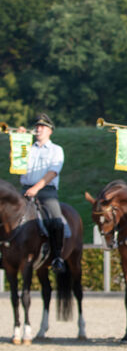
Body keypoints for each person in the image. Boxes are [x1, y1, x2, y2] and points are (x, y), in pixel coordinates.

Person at [19, 113, 66, 273]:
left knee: (56, 220)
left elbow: (52, 172)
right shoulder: (27, 148)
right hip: (25, 190)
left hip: (46, 191)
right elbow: (16, 163)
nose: (38, 129)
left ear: (50, 131)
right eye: (37, 126)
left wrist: (36, 188)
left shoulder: (56, 150)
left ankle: (57, 257)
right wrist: (18, 143)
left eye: (42, 127)